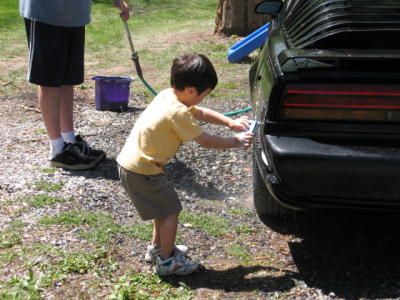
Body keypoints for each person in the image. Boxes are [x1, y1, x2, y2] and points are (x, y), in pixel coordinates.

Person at [117, 53, 254, 276]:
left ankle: (157, 249)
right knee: (171, 211)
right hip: (144, 170)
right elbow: (207, 141)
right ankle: (167, 262)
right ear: (191, 90)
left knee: (161, 210)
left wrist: (230, 122)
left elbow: (199, 112)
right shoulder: (177, 113)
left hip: (133, 165)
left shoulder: (168, 95)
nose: (203, 100)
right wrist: (235, 141)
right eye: (204, 94)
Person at [19, 0, 129, 170]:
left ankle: (70, 142)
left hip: (75, 14)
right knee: (49, 80)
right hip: (46, 12)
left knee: (67, 79)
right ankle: (57, 149)